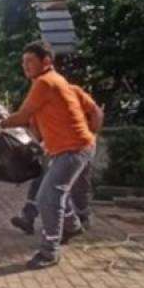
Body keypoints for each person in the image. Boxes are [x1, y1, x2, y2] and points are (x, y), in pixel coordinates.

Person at [0, 41, 96, 269]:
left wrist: (0, 125)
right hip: (68, 148)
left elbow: (22, 116)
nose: (25, 66)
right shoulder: (50, 82)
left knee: (48, 197)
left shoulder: (45, 82)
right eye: (23, 62)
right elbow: (35, 122)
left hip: (73, 149)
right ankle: (72, 226)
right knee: (55, 193)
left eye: (30, 61)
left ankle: (50, 251)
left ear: (46, 61)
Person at [11, 84, 103, 235]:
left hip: (80, 146)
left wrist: (90, 136)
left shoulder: (72, 93)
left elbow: (96, 113)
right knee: (43, 179)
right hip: (57, 148)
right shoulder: (37, 104)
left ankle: (81, 216)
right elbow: (35, 130)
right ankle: (28, 216)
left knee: (79, 183)